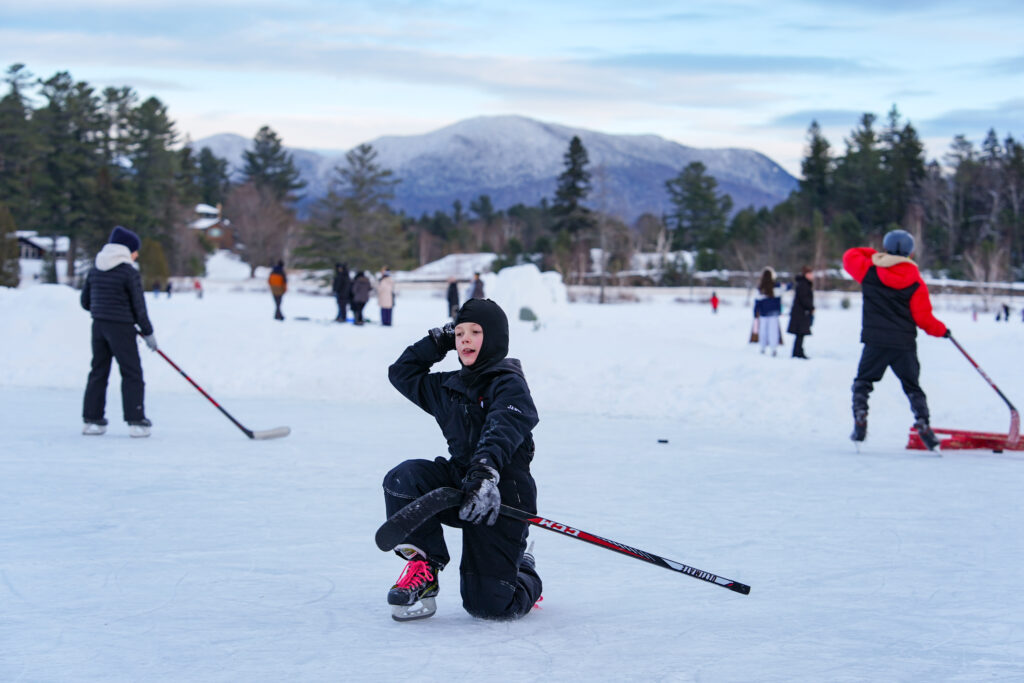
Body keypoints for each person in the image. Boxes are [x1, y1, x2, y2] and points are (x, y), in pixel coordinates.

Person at [382, 298, 542, 621]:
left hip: (502, 495)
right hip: (461, 482)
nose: (464, 339)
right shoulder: (448, 386)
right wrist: (436, 341)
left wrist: (485, 472)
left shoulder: (510, 385)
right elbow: (401, 373)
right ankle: (424, 565)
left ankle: (523, 569)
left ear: (494, 337)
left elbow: (500, 431)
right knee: (403, 481)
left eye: (475, 332)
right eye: (459, 333)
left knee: (488, 606)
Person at [843, 229, 948, 450]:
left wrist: (876, 254)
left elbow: (851, 255)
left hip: (875, 342)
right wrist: (942, 331)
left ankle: (860, 416)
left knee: (863, 383)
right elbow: (924, 319)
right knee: (912, 387)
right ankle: (923, 423)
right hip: (904, 344)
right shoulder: (916, 282)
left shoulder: (869, 271)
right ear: (910, 253)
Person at [80, 226, 157, 438]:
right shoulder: (129, 272)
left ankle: (92, 420)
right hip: (122, 329)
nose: (137, 254)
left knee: (98, 371)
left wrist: (103, 310)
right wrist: (148, 333)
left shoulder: (95, 269)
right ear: (126, 250)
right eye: (135, 250)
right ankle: (136, 421)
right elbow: (139, 308)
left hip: (98, 327)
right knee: (132, 373)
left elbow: (85, 302)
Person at [753, 268, 782, 356]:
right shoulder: (776, 286)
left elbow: (757, 302)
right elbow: (779, 299)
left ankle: (762, 348)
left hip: (763, 313)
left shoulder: (760, 288)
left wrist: (755, 314)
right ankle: (773, 349)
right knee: (773, 331)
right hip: (774, 313)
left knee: (763, 331)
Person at [787, 266, 815, 359]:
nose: (812, 276)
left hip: (801, 313)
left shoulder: (804, 284)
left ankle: (798, 351)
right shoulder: (803, 284)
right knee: (800, 333)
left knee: (800, 334)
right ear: (806, 274)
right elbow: (804, 299)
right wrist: (811, 308)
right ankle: (798, 352)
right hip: (801, 313)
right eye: (811, 274)